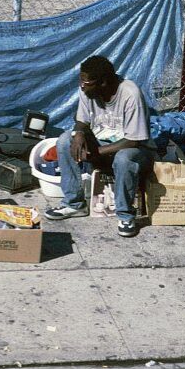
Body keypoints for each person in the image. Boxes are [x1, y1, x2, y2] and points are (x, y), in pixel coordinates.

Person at [43, 55, 155, 238]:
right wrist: (78, 133)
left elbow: (134, 140)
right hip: (103, 143)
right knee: (64, 140)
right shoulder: (88, 91)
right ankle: (73, 204)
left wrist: (96, 152)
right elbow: (81, 120)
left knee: (124, 158)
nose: (82, 85)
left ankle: (125, 215)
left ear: (103, 82)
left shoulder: (130, 94)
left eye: (86, 82)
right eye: (81, 80)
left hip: (136, 150)